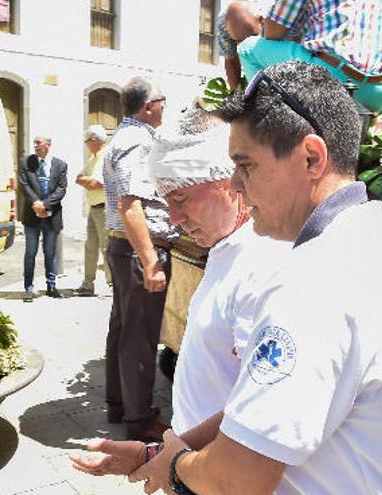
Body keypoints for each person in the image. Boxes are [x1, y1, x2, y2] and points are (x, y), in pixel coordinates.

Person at [123, 61, 382, 494]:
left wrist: (176, 468)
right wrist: (164, 453)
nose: (235, 183)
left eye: (245, 165)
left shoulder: (313, 279)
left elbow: (236, 481)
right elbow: (263, 407)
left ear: (311, 157)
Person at [70, 110, 289, 478]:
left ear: (229, 182)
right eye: (165, 200)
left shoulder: (262, 265)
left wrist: (170, 465)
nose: (173, 217)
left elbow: (263, 413)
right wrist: (155, 454)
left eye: (183, 199)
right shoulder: (225, 249)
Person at [102, 76, 179, 442]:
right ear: (147, 106)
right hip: (138, 249)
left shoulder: (126, 137)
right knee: (140, 338)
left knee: (123, 329)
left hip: (125, 247)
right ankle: (139, 419)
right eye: (162, 100)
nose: (166, 106)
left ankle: (119, 404)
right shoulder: (137, 141)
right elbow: (130, 203)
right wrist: (150, 260)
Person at [238, 0, 382, 113]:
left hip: (330, 76)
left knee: (247, 49)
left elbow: (274, 32)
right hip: (376, 90)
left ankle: (269, 118)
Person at [18, 135, 68, 302]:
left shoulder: (60, 165)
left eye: (39, 143)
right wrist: (36, 204)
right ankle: (28, 288)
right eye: (35, 143)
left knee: (50, 253)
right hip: (32, 216)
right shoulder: (26, 162)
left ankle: (51, 286)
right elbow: (24, 185)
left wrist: (45, 205)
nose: (36, 146)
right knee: (30, 253)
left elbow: (61, 189)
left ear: (48, 145)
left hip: (51, 216)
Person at [217, 0, 303, 90]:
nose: (247, 45)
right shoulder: (225, 22)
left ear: (262, 21)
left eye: (252, 37)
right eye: (239, 41)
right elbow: (230, 58)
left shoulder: (280, 17)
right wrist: (237, 93)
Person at [75, 124, 111, 296]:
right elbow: (79, 178)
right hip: (93, 208)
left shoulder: (106, 157)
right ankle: (88, 284)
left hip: (105, 209)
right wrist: (86, 181)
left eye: (87, 141)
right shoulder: (93, 158)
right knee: (90, 248)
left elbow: (95, 184)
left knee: (106, 248)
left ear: (95, 140)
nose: (86, 144)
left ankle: (113, 285)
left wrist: (86, 181)